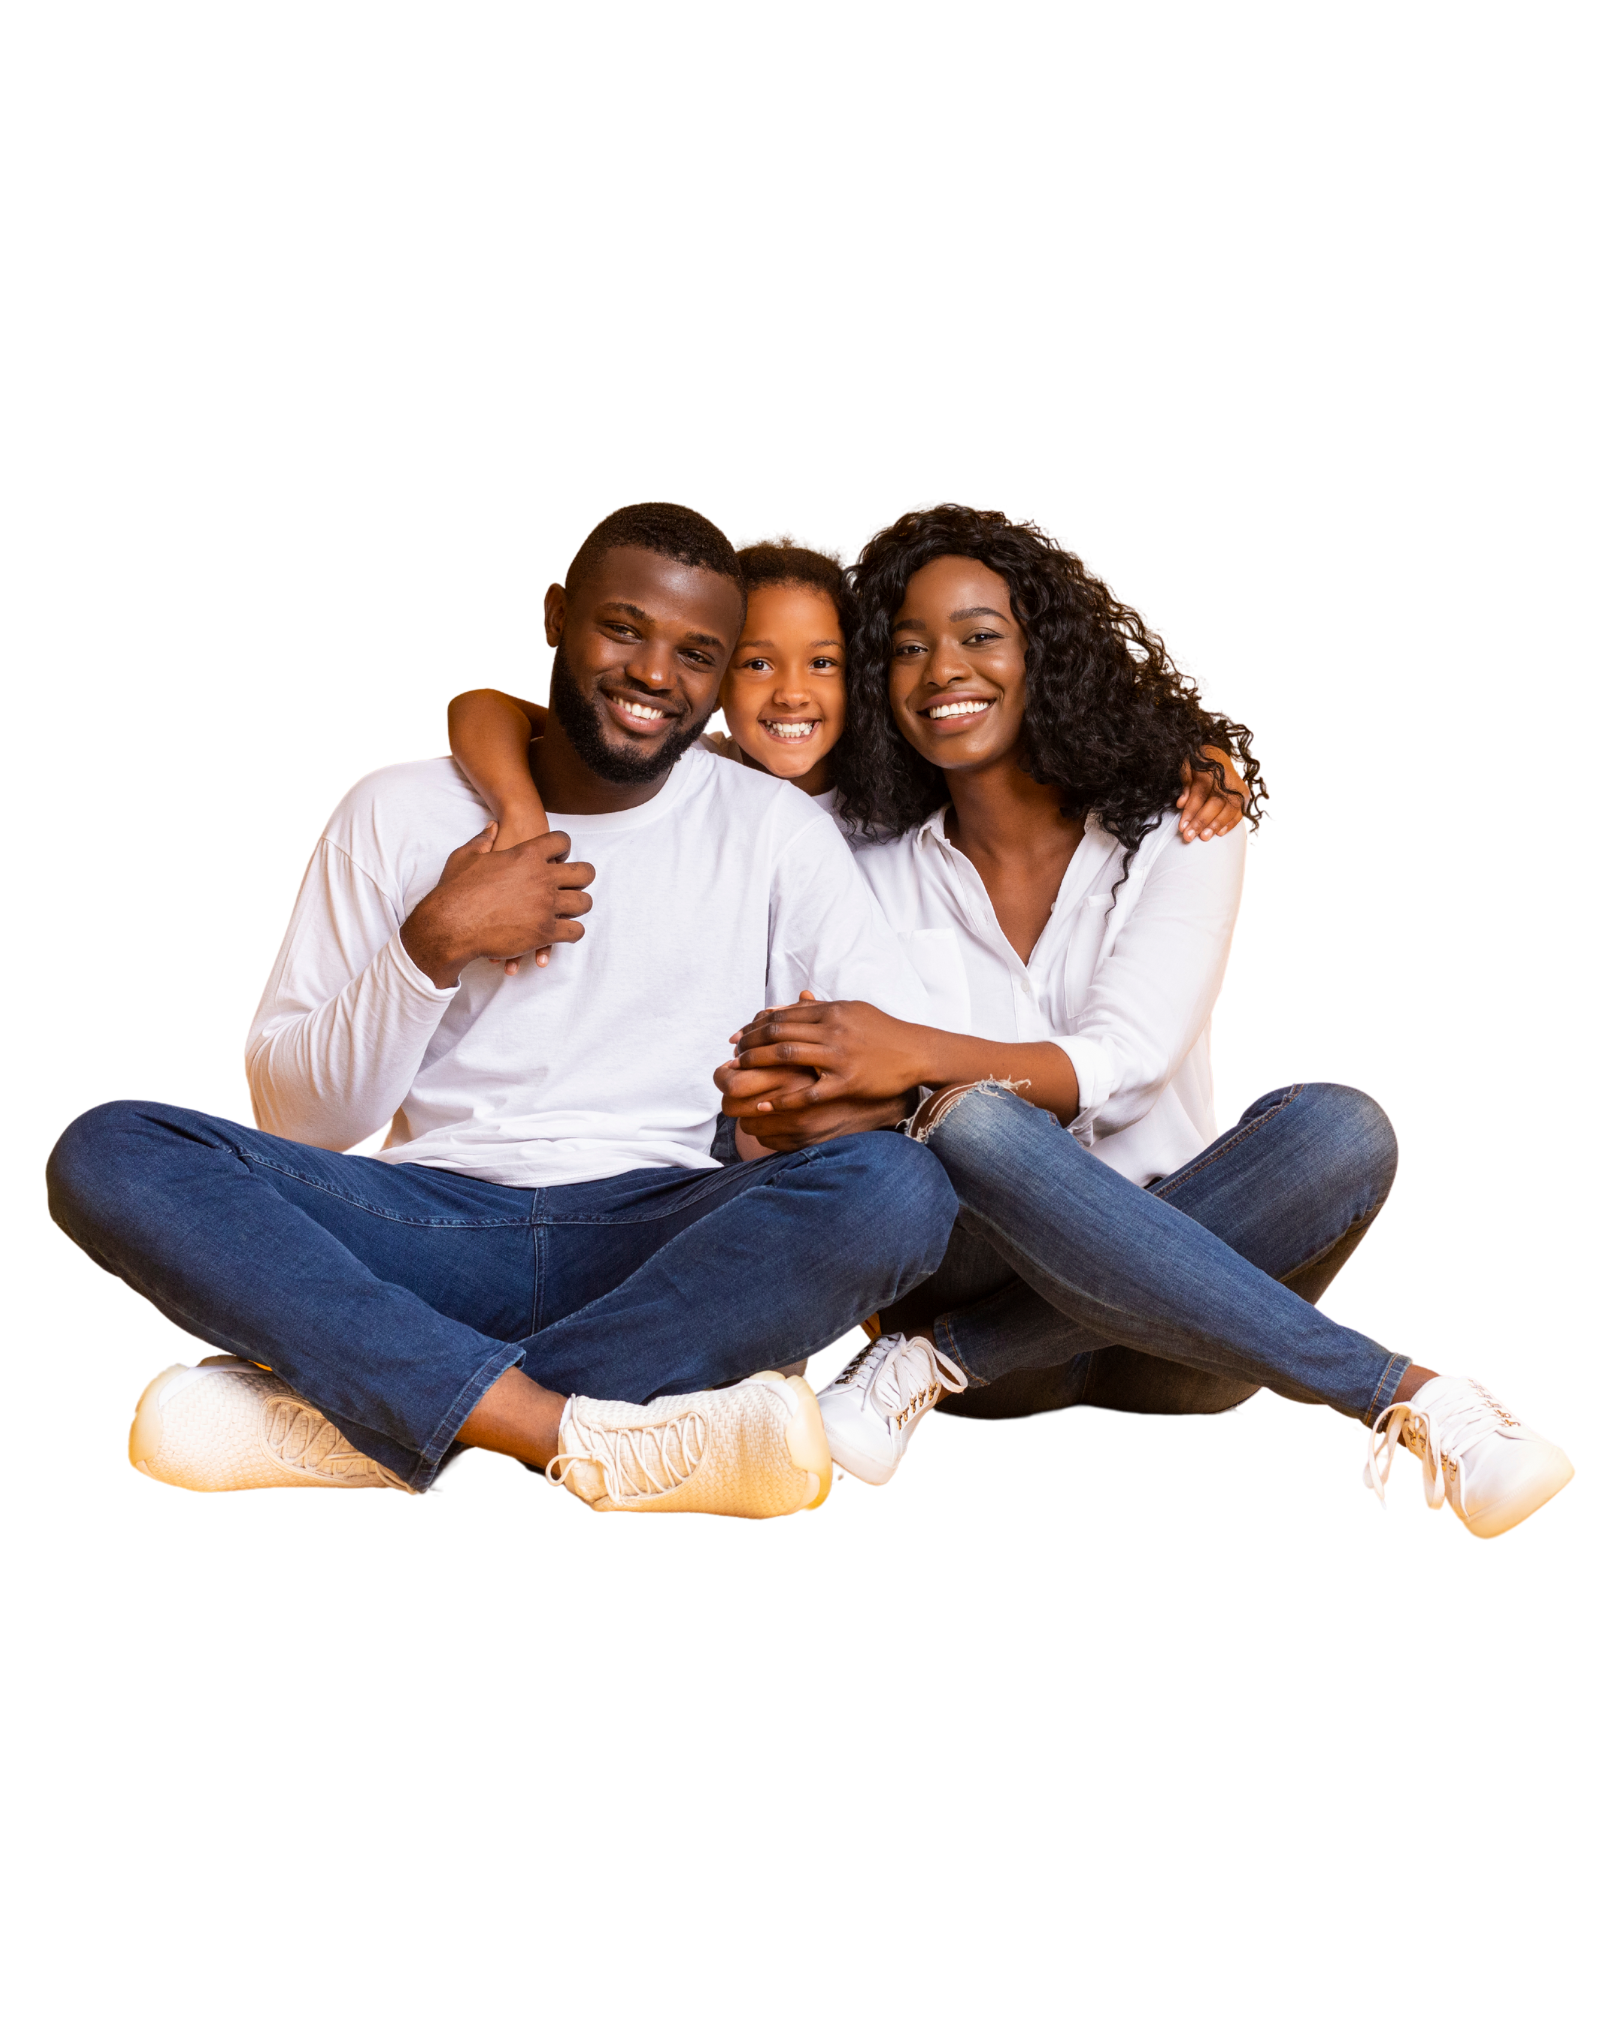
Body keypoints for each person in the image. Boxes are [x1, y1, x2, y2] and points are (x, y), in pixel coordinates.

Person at [45, 501, 961, 1518]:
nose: (656, 674)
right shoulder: (396, 807)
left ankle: (375, 1416)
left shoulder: (772, 828)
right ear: (556, 616)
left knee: (900, 1190)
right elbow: (299, 1123)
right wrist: (431, 944)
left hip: (656, 1234)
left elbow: (887, 1071)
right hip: (417, 1225)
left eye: (697, 654)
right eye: (623, 629)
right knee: (110, 1150)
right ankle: (564, 1434)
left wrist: (790, 1111)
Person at [713, 503, 1576, 1540]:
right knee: (975, 1121)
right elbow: (656, 754)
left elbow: (1128, 1060)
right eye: (907, 647)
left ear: (1048, 651)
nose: (944, 669)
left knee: (1343, 1126)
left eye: (981, 635)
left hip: (1186, 1344)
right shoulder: (847, 848)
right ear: (874, 679)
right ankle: (1412, 1394)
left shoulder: (1185, 820)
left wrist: (917, 1054)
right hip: (984, 1280)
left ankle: (936, 1361)